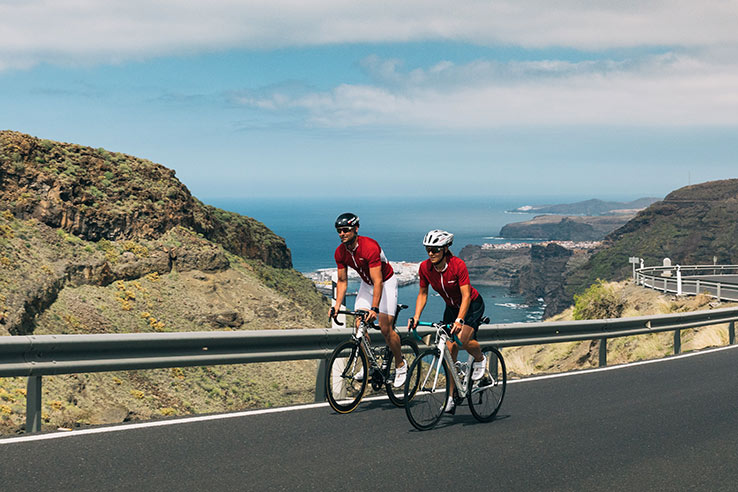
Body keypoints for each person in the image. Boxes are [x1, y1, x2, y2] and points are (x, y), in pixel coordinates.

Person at [407, 229, 486, 414]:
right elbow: (423, 294)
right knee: (450, 351)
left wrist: (460, 319)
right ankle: (451, 397)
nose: (431, 253)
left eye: (435, 249)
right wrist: (416, 316)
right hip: (451, 307)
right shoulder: (425, 268)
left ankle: (480, 359)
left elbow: (466, 296)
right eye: (428, 249)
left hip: (472, 304)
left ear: (444, 249)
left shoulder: (458, 265)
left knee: (463, 339)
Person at [330, 212, 407, 388]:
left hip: (385, 283)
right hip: (366, 284)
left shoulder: (370, 247)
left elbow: (378, 281)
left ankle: (401, 364)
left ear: (356, 229)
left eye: (346, 230)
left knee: (386, 329)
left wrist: (374, 308)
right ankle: (369, 365)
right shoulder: (340, 252)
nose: (342, 234)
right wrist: (336, 306)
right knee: (359, 325)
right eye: (339, 231)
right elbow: (342, 281)